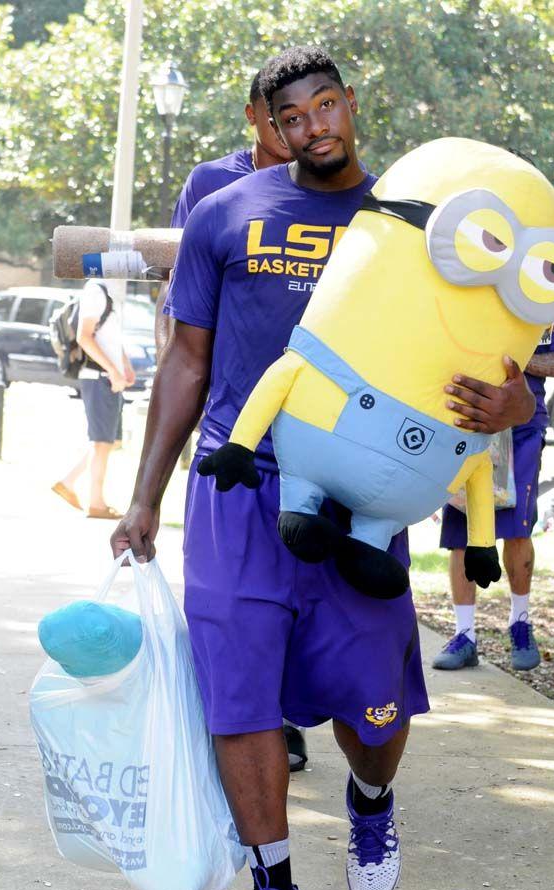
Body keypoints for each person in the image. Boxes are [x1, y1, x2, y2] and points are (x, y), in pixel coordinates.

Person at [111, 45, 536, 890]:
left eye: (325, 107)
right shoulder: (225, 216)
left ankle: (371, 806)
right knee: (239, 690)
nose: (313, 128)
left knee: (375, 715)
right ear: (267, 128)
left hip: (362, 496)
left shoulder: (417, 223)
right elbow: (186, 360)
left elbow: (516, 348)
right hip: (238, 485)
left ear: (350, 105)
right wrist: (144, 494)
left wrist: (519, 404)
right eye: (289, 117)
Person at [153, 67, 310, 771]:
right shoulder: (212, 186)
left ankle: (285, 713)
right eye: (280, 116)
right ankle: (251, 716)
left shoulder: (337, 189)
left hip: (315, 426)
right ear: (254, 116)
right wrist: (183, 398)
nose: (294, 129)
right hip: (227, 419)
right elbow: (182, 304)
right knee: (233, 590)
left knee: (303, 586)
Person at [433, 327, 554, 672]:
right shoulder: (478, 282)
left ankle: (520, 623)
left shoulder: (551, 295)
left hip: (523, 423)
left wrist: (504, 352)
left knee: (518, 529)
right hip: (468, 418)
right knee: (461, 532)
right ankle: (464, 635)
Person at [154, 69, 290, 356]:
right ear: (251, 114)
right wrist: (167, 371)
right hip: (217, 368)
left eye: (293, 115)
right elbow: (173, 282)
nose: (283, 124)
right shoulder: (209, 181)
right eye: (272, 114)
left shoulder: (327, 185)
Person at [52, 280, 135, 519]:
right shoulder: (95, 291)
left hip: (107, 378)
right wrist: (113, 370)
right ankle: (96, 503)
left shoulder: (109, 292)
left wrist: (124, 366)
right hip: (98, 377)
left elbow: (109, 338)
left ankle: (68, 482)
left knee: (110, 441)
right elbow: (84, 337)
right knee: (102, 442)